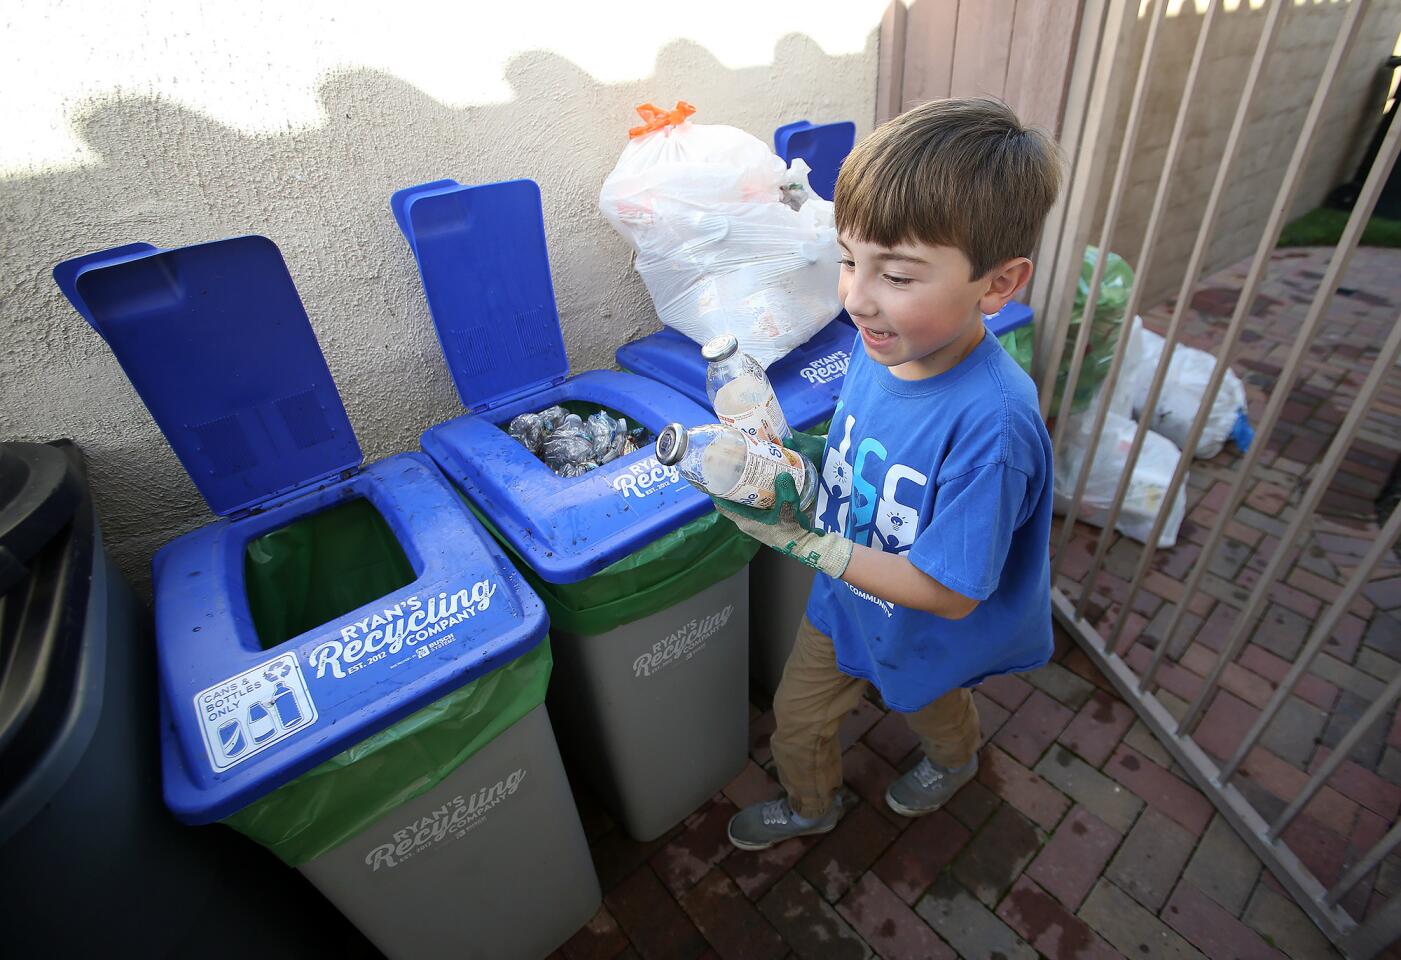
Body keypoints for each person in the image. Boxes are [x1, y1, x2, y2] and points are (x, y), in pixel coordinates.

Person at [720, 97, 1062, 849]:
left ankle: (957, 759)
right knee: (798, 717)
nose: (856, 298)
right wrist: (791, 464)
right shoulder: (883, 352)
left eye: (897, 275)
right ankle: (811, 806)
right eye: (848, 260)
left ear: (998, 285)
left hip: (930, 633)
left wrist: (806, 546)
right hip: (844, 604)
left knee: (935, 711)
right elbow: (856, 453)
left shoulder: (994, 425)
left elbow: (949, 593)